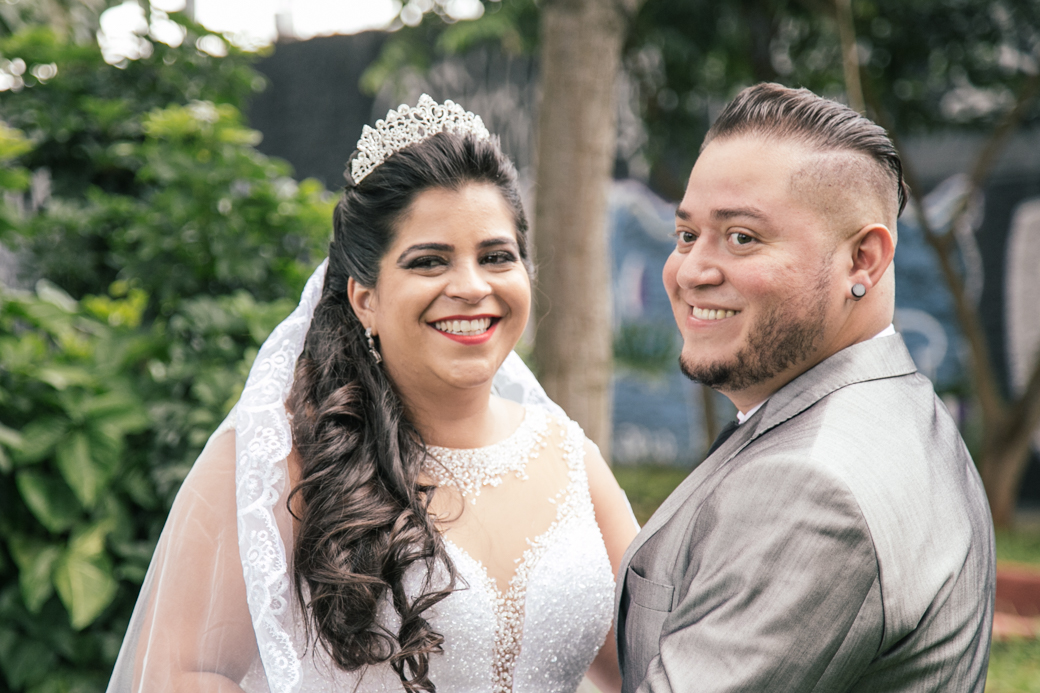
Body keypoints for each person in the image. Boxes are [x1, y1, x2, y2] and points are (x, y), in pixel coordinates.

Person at [107, 95, 638, 693]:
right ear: (366, 299)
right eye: (429, 262)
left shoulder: (572, 458)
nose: (471, 286)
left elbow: (651, 663)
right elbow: (179, 673)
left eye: (496, 257)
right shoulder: (283, 460)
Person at [614, 83, 995, 692]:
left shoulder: (811, 488)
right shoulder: (899, 407)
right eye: (686, 235)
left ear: (863, 260)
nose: (691, 271)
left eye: (742, 237)